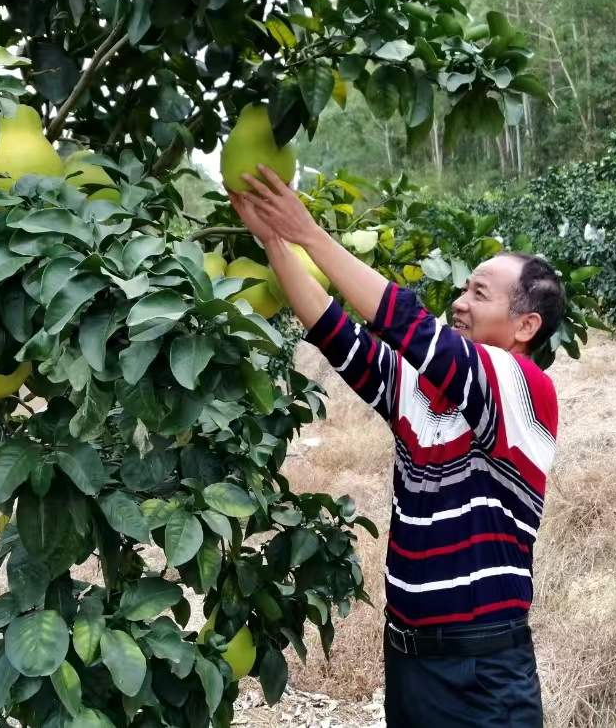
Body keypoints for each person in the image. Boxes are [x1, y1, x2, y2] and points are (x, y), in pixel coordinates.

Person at [230, 167, 563, 728]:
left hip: (481, 671)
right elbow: (336, 331)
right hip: (410, 662)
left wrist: (312, 234)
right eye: (463, 289)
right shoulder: (422, 393)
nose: (459, 303)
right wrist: (274, 240)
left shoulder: (521, 387)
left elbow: (406, 324)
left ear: (525, 324)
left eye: (478, 294)